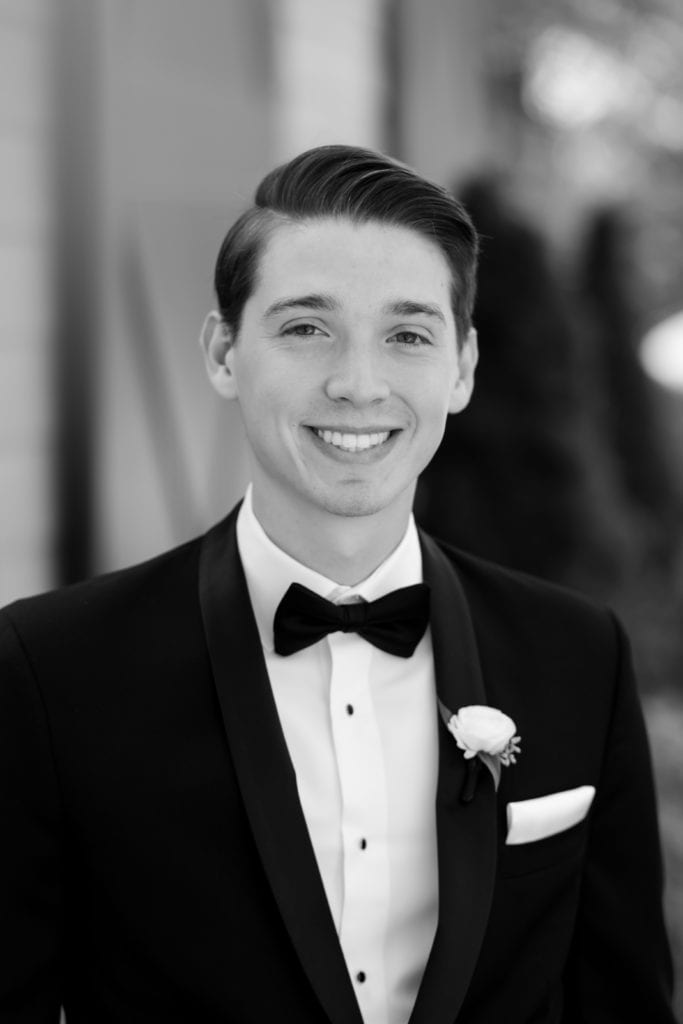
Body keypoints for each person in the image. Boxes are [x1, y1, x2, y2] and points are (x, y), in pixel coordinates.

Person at [0, 145, 675, 1024]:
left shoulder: (578, 655)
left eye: (406, 335)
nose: (358, 385)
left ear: (462, 368)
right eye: (306, 327)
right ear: (222, 352)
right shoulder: (52, 669)